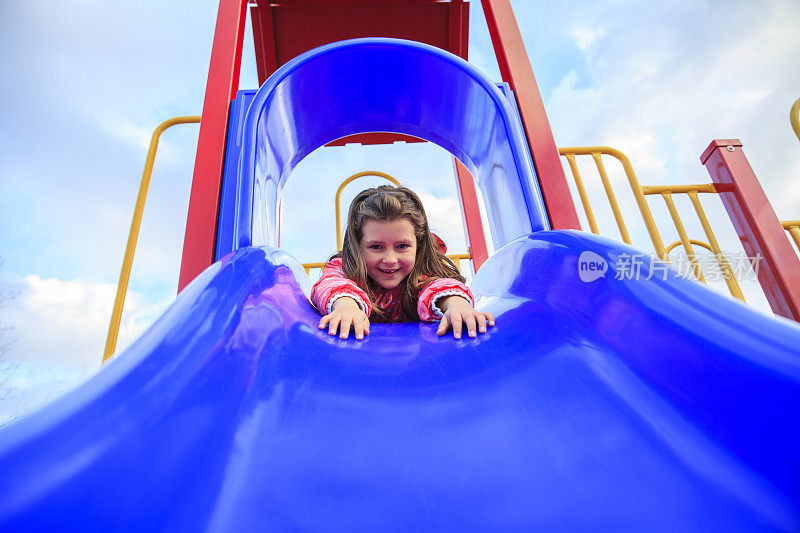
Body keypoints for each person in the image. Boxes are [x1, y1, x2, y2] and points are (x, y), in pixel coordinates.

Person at [311, 185, 495, 340]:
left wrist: (457, 306)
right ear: (357, 246)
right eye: (376, 246)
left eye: (402, 246)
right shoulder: (345, 268)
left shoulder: (424, 268)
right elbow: (332, 283)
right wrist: (346, 307)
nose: (390, 259)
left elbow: (439, 285)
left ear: (419, 244)